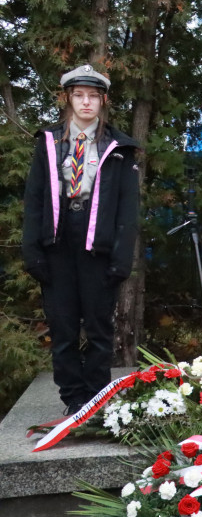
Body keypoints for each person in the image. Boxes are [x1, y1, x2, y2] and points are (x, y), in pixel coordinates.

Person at [22, 64, 141, 416]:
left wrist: (121, 259)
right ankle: (73, 399)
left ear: (103, 101)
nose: (86, 102)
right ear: (68, 99)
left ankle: (97, 398)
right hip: (57, 246)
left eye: (93, 96)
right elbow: (34, 199)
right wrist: (33, 252)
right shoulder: (49, 142)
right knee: (63, 329)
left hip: (97, 246)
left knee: (100, 328)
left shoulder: (119, 148)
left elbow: (127, 208)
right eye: (79, 95)